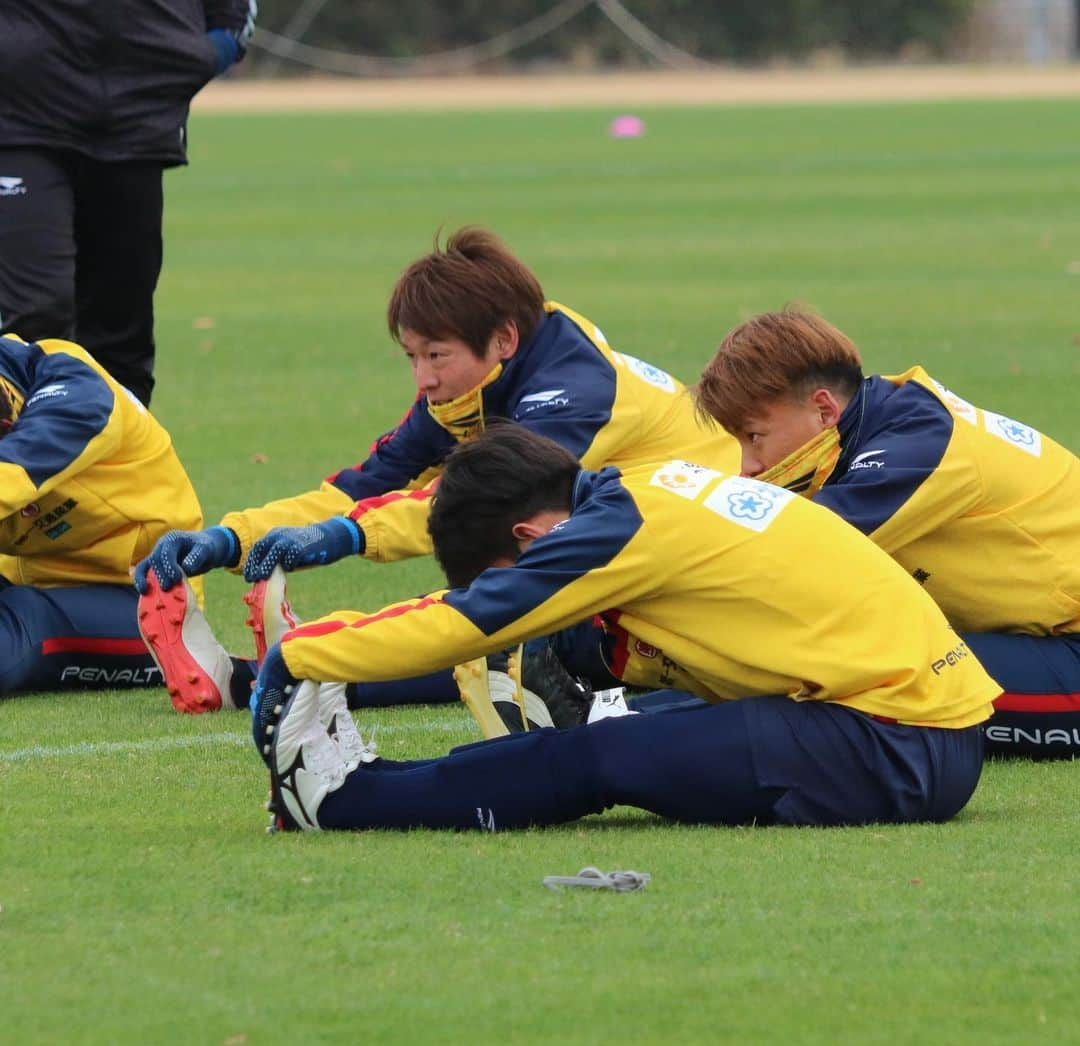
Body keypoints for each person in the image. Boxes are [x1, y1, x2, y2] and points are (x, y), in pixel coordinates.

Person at [246, 423, 998, 834]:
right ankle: (380, 780)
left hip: (898, 741)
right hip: (915, 722)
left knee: (601, 758)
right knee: (599, 712)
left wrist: (306, 653)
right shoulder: (638, 491)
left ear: (529, 536)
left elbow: (467, 622)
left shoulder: (613, 532)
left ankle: (348, 802)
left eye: (510, 572)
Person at [134, 226, 740, 713]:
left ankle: (275, 673)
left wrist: (342, 537)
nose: (423, 378)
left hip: (706, 565)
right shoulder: (470, 385)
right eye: (412, 357)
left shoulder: (572, 395)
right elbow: (361, 488)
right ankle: (281, 670)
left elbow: (467, 508)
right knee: (502, 611)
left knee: (500, 622)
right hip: (635, 541)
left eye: (435, 356)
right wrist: (230, 538)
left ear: (502, 340)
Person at [693, 307, 1080, 760]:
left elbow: (778, 554)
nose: (747, 466)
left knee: (860, 677)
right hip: (1034, 639)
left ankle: (620, 718)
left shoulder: (919, 446)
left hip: (1069, 652)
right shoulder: (884, 422)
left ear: (823, 409)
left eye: (754, 437)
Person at [0, 1, 258, 405]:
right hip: (18, 121)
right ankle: (27, 461)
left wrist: (206, 52)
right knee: (35, 319)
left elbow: (234, 10)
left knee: (121, 336)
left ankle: (120, 463)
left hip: (137, 121)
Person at [0, 333, 220, 696]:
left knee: (26, 623)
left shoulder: (74, 389)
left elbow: (13, 472)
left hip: (145, 596)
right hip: (32, 579)